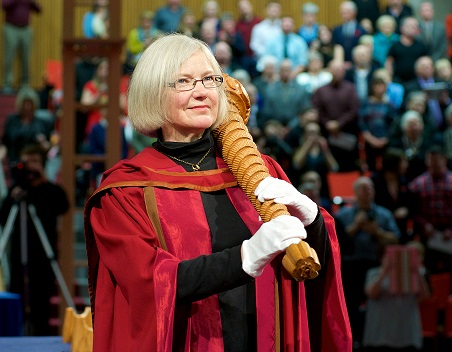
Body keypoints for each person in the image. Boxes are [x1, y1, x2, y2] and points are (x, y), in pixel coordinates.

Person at [84, 33, 352, 351]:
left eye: (209, 79)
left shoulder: (260, 171)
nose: (201, 92)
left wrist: (313, 223)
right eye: (184, 81)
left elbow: (307, 270)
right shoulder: (127, 191)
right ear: (153, 93)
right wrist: (245, 258)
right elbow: (148, 281)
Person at [0, 144, 69, 335]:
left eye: (34, 161)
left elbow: (63, 205)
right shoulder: (18, 191)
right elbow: (1, 218)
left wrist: (43, 179)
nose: (30, 166)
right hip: (19, 258)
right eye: (26, 162)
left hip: (43, 258)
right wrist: (12, 197)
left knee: (41, 310)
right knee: (15, 305)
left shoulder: (50, 190)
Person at [335, 177, 400, 347]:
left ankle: (376, 341)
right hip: (350, 267)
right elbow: (334, 241)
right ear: (355, 192)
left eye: (370, 189)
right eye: (363, 189)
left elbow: (395, 239)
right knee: (350, 306)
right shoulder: (343, 214)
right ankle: (351, 341)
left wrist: (377, 232)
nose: (367, 193)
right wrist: (355, 226)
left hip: (376, 267)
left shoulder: (384, 215)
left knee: (377, 306)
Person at [409, 145, 452, 274]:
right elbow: (413, 210)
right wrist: (424, 225)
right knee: (429, 270)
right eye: (430, 160)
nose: (433, 163)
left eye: (436, 160)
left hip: (450, 234)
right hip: (428, 233)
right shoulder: (417, 183)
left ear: (444, 160)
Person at [363, 242, 430, 352]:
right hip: (380, 336)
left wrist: (416, 270)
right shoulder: (374, 273)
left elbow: (425, 296)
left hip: (407, 336)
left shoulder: (414, 275)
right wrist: (384, 271)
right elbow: (371, 293)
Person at [313, 59, 360, 171]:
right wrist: (327, 124)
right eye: (334, 69)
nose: (337, 72)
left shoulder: (350, 89)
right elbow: (317, 111)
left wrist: (339, 123)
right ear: (329, 71)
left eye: (339, 69)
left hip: (347, 132)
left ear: (344, 71)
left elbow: (354, 110)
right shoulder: (321, 90)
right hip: (326, 133)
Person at [0, 86, 55, 169]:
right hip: (16, 164)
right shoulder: (12, 121)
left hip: (35, 166)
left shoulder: (42, 123)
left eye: (30, 103)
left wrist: (43, 143)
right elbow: (5, 143)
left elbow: (49, 147)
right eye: (25, 103)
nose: (27, 107)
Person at [0, 0, 41, 91]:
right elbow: (3, 5)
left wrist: (33, 0)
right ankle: (7, 83)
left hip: (26, 30)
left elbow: (39, 10)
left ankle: (24, 84)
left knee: (26, 58)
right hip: (10, 29)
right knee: (8, 57)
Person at [332, 1, 366, 67]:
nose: (343, 14)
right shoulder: (336, 30)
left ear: (354, 12)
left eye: (346, 12)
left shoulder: (361, 30)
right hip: (340, 65)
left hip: (356, 65)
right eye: (342, 12)